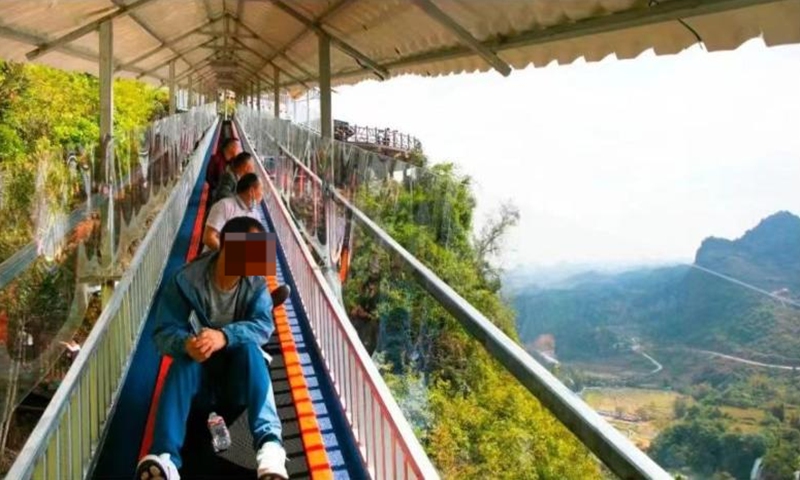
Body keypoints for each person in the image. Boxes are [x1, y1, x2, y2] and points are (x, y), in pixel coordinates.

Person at [135, 216, 288, 480]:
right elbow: (162, 333)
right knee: (184, 361)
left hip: (237, 382)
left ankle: (270, 445)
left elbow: (264, 326)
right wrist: (185, 343)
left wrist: (224, 336)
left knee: (252, 352)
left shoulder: (256, 285)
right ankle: (165, 457)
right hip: (199, 382)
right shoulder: (185, 281)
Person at [203, 173, 262, 252]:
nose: (262, 194)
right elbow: (208, 238)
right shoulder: (224, 206)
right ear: (251, 191)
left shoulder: (256, 215)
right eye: (261, 189)